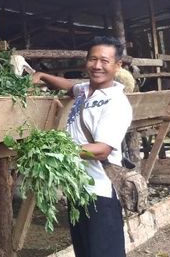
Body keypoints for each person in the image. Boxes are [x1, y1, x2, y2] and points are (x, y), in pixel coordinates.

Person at [32, 36, 132, 257]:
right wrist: (43, 76)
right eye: (92, 59)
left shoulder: (115, 103)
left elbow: (102, 150)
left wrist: (57, 151)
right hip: (79, 191)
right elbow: (70, 86)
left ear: (118, 66)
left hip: (101, 193)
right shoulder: (86, 90)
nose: (97, 66)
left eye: (105, 61)